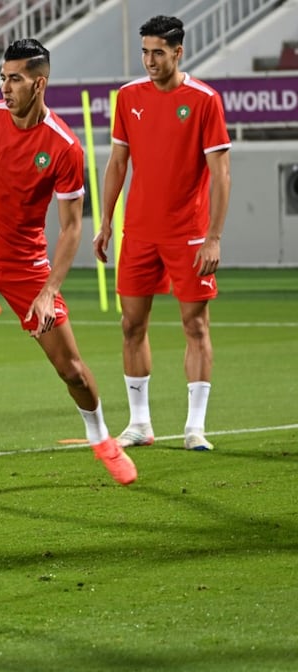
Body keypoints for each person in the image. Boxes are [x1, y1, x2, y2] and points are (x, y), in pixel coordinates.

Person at [0, 39, 138, 502]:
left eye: (15, 79)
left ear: (39, 83)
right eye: (2, 77)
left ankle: (101, 438)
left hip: (27, 267)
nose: (5, 87)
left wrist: (49, 289)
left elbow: (68, 230)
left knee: (74, 372)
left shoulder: (63, 147)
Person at [96, 15, 231, 452]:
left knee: (195, 325)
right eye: (145, 52)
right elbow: (118, 163)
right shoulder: (128, 97)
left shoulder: (205, 100)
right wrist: (104, 223)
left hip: (189, 236)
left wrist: (213, 236)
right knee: (131, 324)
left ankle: (195, 427)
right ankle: (140, 424)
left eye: (158, 52)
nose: (149, 60)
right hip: (137, 232)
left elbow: (220, 173)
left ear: (178, 52)